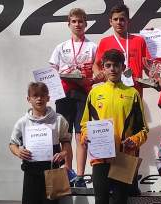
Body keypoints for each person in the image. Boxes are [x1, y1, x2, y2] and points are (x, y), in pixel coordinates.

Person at [80, 49, 148, 204]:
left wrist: (134, 140)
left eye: (116, 65)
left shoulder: (133, 94)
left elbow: (143, 129)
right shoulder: (95, 93)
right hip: (100, 158)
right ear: (103, 68)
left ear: (123, 68)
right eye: (108, 65)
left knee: (120, 201)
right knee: (101, 200)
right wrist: (86, 136)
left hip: (123, 158)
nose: (112, 69)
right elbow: (85, 124)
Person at [49, 8, 97, 187]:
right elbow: (53, 70)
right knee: (64, 135)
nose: (78, 25)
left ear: (86, 24)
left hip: (83, 93)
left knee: (81, 135)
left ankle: (80, 176)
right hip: (63, 94)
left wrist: (90, 77)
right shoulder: (60, 47)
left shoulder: (92, 46)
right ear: (68, 24)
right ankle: (68, 172)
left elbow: (97, 71)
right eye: (74, 21)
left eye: (81, 21)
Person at [9, 82, 72, 204]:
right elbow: (12, 144)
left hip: (52, 171)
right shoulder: (22, 122)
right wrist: (18, 152)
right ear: (29, 99)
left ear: (48, 98)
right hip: (31, 172)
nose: (39, 99)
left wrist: (63, 153)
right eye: (35, 95)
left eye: (43, 95)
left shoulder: (58, 119)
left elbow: (66, 141)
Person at [92, 4, 151, 97]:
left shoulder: (139, 41)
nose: (119, 22)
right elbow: (96, 65)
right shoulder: (105, 42)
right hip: (111, 91)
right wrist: (99, 74)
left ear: (128, 21)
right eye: (115, 19)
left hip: (134, 90)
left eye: (122, 19)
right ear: (110, 22)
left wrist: (155, 77)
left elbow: (148, 66)